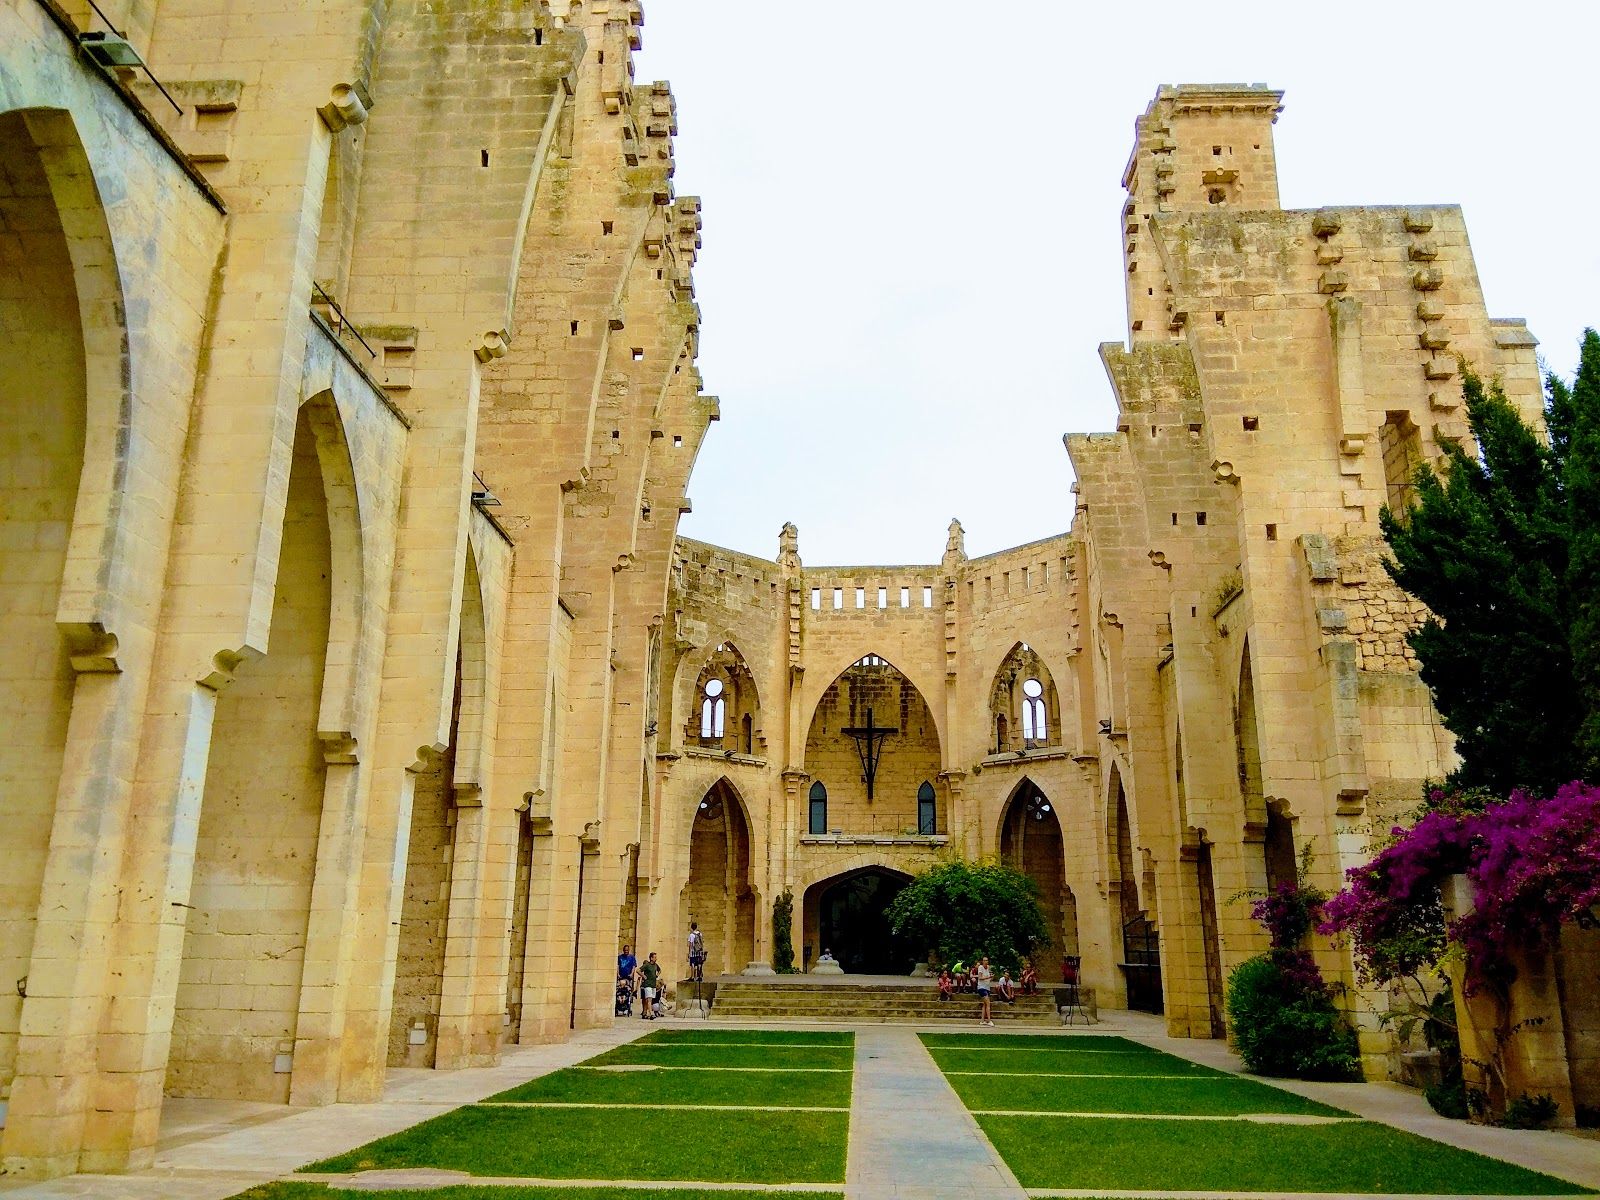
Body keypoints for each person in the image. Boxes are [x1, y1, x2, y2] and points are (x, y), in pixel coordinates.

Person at [639, 951, 662, 1019]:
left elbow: (659, 970)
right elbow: (638, 970)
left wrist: (656, 975)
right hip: (647, 984)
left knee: (650, 1000)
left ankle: (645, 1013)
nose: (656, 959)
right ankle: (650, 1014)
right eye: (655, 957)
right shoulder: (647, 965)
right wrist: (643, 976)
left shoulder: (655, 965)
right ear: (651, 958)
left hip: (653, 984)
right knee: (649, 999)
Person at [974, 955, 994, 1026]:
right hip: (982, 988)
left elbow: (989, 978)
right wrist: (988, 977)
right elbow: (980, 977)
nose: (986, 962)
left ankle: (982, 1020)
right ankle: (989, 1020)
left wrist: (991, 977)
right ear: (982, 961)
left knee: (985, 1005)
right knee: (988, 1003)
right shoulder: (980, 967)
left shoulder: (988, 968)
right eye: (984, 960)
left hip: (987, 987)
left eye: (987, 960)